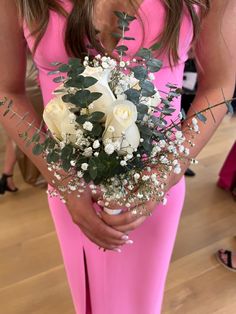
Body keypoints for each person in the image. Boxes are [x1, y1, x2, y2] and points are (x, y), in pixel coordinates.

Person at [0, 1, 235, 313]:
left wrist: (165, 174)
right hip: (69, 183)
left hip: (156, 185)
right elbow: (7, 91)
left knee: (143, 299)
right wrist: (64, 180)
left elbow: (220, 83)